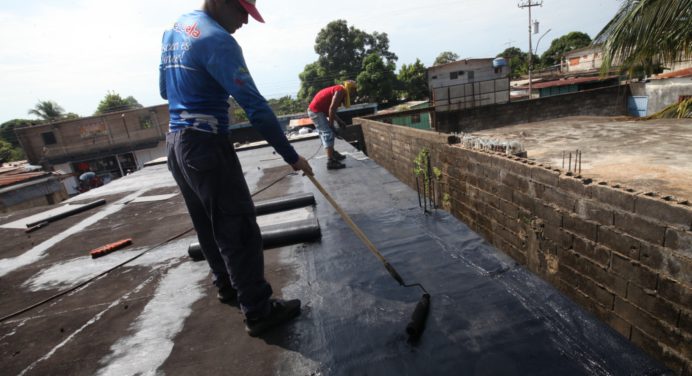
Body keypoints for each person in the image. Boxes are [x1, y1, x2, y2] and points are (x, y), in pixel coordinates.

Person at [159, 0, 313, 337]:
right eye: (242, 11)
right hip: (206, 144)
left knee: (207, 221)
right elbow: (255, 108)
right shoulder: (218, 40)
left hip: (176, 142)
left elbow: (163, 89)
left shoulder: (176, 28)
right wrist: (291, 156)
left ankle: (227, 285)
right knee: (238, 228)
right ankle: (258, 311)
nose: (245, 20)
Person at [307, 80, 357, 170]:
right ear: (350, 89)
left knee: (328, 132)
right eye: (354, 90)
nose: (354, 93)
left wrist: (339, 121)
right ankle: (331, 162)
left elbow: (331, 110)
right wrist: (331, 125)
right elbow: (332, 108)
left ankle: (332, 153)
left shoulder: (340, 90)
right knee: (328, 133)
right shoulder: (341, 90)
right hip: (316, 111)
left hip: (320, 111)